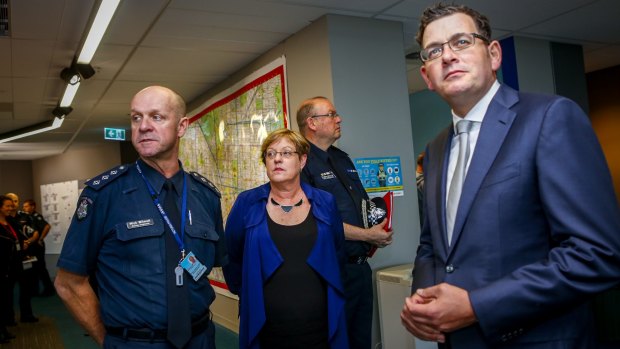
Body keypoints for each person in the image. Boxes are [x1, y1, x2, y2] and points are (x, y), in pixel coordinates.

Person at [400, 3, 620, 348]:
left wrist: (477, 306)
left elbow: (595, 254)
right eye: (434, 51)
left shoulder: (549, 118)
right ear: (427, 76)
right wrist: (422, 302)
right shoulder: (436, 148)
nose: (448, 56)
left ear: (494, 54)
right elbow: (431, 245)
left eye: (461, 42)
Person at [55, 85, 229, 349]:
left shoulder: (206, 196)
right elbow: (69, 283)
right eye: (136, 118)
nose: (143, 126)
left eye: (156, 117)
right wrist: (109, 340)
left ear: (181, 126)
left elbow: (208, 265)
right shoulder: (104, 195)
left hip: (201, 339)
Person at [225, 128, 348, 349]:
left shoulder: (325, 202)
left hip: (319, 324)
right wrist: (247, 292)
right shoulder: (247, 202)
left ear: (302, 160)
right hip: (267, 327)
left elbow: (337, 254)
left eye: (286, 153)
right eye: (270, 154)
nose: (277, 159)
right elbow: (231, 257)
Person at [297, 97, 393, 349]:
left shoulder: (342, 158)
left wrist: (376, 228)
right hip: (331, 271)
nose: (338, 119)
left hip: (360, 269)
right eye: (331, 114)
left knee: (360, 340)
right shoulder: (302, 163)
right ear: (312, 123)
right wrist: (367, 235)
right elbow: (313, 220)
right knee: (335, 341)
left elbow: (357, 207)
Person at [5, 193, 39, 323]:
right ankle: (9, 317)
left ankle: (27, 315)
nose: (13, 204)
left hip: (25, 257)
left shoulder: (26, 217)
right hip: (10, 260)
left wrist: (28, 242)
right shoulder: (4, 219)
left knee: (26, 288)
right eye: (10, 202)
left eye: (15, 201)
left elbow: (36, 233)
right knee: (8, 291)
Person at [22, 199, 55, 296]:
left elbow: (47, 226)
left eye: (26, 206)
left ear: (33, 207)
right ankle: (34, 290)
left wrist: (40, 239)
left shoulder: (37, 216)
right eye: (23, 206)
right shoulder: (27, 217)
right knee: (33, 269)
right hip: (31, 246)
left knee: (41, 268)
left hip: (38, 246)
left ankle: (49, 289)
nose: (24, 208)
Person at [0, 195, 21, 343]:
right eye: (7, 205)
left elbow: (17, 238)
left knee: (5, 299)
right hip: (1, 267)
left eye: (11, 205)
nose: (11, 207)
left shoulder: (10, 221)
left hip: (11, 266)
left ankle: (3, 329)